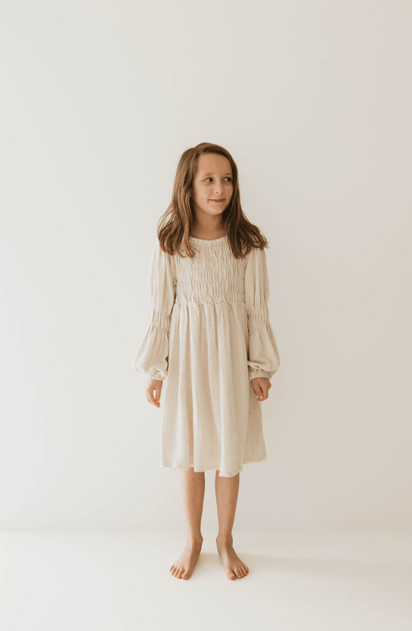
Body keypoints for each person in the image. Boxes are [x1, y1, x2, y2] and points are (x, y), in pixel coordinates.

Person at [131, 142, 281, 581]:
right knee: (192, 452)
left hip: (231, 360)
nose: (220, 189)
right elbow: (160, 311)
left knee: (228, 451)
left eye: (227, 179)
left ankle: (225, 539)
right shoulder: (171, 243)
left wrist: (259, 368)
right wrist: (155, 370)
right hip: (187, 362)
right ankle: (193, 538)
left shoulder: (247, 244)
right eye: (209, 180)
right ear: (188, 186)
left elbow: (256, 311)